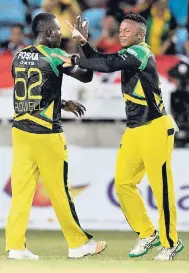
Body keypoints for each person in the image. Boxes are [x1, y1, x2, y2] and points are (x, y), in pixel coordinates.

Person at [53, 14, 184, 261]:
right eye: (121, 29)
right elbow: (103, 60)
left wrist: (75, 58)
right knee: (123, 184)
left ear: (140, 35)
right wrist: (83, 43)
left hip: (156, 128)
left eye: (127, 30)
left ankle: (171, 242)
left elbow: (107, 64)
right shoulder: (127, 54)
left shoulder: (141, 53)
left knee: (161, 189)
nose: (122, 33)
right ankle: (147, 233)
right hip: (134, 130)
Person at [6, 12, 107, 260]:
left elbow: (33, 93)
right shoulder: (55, 55)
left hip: (20, 131)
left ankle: (16, 246)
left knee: (21, 193)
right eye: (58, 33)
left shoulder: (18, 57)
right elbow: (87, 75)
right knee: (60, 190)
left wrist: (61, 102)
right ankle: (77, 244)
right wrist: (83, 43)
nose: (60, 37)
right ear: (49, 33)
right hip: (46, 134)